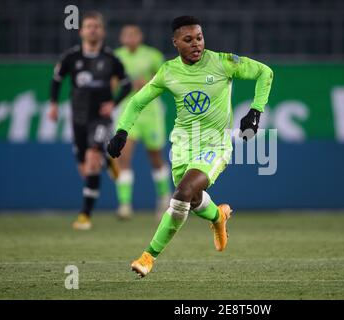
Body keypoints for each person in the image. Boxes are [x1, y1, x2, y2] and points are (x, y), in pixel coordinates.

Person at [107, 16, 273, 277]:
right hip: (183, 144)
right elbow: (137, 102)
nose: (196, 44)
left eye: (199, 37)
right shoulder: (168, 72)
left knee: (183, 192)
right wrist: (122, 131)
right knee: (193, 200)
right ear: (175, 43)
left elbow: (265, 72)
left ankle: (148, 257)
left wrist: (255, 111)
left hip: (215, 144)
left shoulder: (223, 62)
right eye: (188, 40)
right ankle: (219, 217)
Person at [49, 11, 131, 230]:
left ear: (102, 31)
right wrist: (53, 104)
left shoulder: (111, 58)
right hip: (78, 117)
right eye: (88, 26)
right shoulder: (71, 57)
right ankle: (107, 161)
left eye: (96, 26)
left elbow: (127, 84)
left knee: (92, 157)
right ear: (81, 31)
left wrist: (113, 103)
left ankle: (85, 215)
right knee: (85, 170)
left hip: (101, 118)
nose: (92, 29)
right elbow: (56, 80)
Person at [113, 25, 171, 220]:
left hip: (151, 113)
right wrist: (127, 85)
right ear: (121, 38)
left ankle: (164, 199)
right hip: (128, 112)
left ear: (140, 37)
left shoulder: (153, 55)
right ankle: (124, 204)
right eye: (126, 35)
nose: (130, 38)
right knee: (124, 157)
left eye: (133, 34)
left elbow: (163, 80)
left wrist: (147, 84)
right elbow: (112, 83)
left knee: (155, 157)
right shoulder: (116, 57)